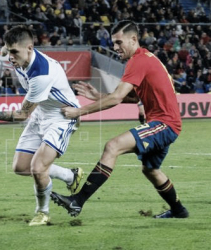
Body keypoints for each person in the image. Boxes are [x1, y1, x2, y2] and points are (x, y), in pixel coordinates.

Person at [51, 20, 189, 219]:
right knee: (150, 170)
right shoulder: (144, 59)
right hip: (164, 123)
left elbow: (116, 98)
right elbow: (133, 97)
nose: (115, 48)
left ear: (133, 39)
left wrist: (79, 111)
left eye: (118, 42)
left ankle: (77, 201)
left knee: (112, 146)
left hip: (164, 124)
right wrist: (98, 96)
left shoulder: (137, 61)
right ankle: (179, 210)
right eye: (113, 43)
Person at [0, 26, 84, 226]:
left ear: (29, 48)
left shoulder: (40, 73)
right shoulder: (16, 54)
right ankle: (69, 175)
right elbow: (5, 50)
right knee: (20, 167)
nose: (10, 57)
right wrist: (6, 49)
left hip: (62, 116)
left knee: (38, 168)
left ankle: (43, 212)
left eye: (15, 52)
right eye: (9, 51)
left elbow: (22, 114)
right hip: (41, 112)